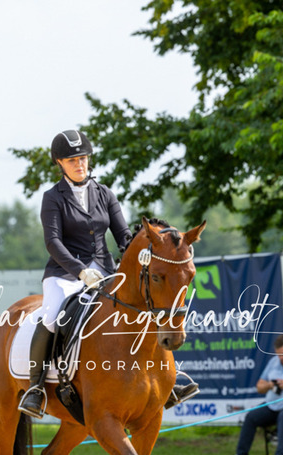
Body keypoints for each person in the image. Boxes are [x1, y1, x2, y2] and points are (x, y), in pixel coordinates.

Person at [20, 129, 199, 418]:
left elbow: (124, 236)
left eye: (83, 158)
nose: (79, 164)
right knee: (52, 316)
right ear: (60, 163)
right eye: (72, 160)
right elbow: (53, 242)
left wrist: (140, 253)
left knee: (144, 307)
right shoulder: (52, 198)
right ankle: (36, 387)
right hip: (64, 275)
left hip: (106, 270)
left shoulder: (104, 193)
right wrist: (80, 271)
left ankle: (168, 381)